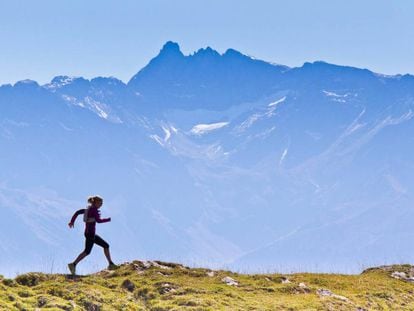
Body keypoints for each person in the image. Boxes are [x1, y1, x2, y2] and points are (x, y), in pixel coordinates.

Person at [67, 195, 117, 275]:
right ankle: (73, 264)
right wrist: (108, 219)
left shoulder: (88, 209)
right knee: (87, 251)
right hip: (90, 234)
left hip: (89, 233)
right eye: (100, 203)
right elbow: (99, 221)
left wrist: (72, 221)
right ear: (96, 202)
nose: (101, 204)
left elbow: (77, 212)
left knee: (105, 245)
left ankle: (111, 264)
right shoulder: (94, 210)